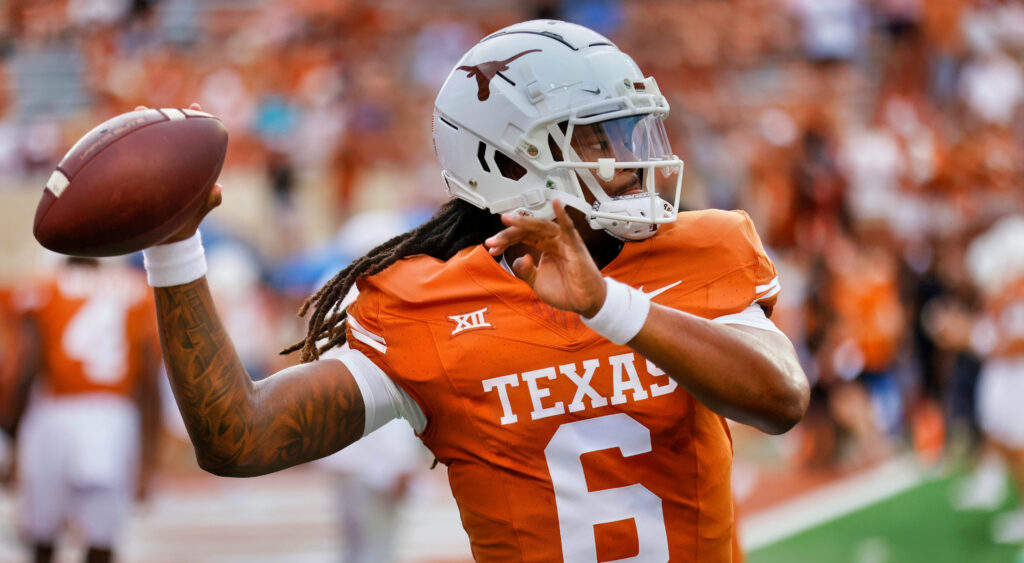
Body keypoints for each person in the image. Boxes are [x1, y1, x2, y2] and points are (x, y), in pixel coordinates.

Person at [144, 20, 809, 561]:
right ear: (510, 162)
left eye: (632, 129)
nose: (632, 158)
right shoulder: (427, 304)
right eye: (601, 135)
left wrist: (608, 304)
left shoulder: (699, 247)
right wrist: (174, 246)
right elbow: (240, 436)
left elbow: (781, 398)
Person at [3, 257, 162, 563]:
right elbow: (149, 379)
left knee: (42, 535)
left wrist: (12, 438)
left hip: (56, 413)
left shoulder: (45, 287)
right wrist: (149, 459)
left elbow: (28, 367)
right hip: (113, 417)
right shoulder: (135, 289)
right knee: (101, 539)